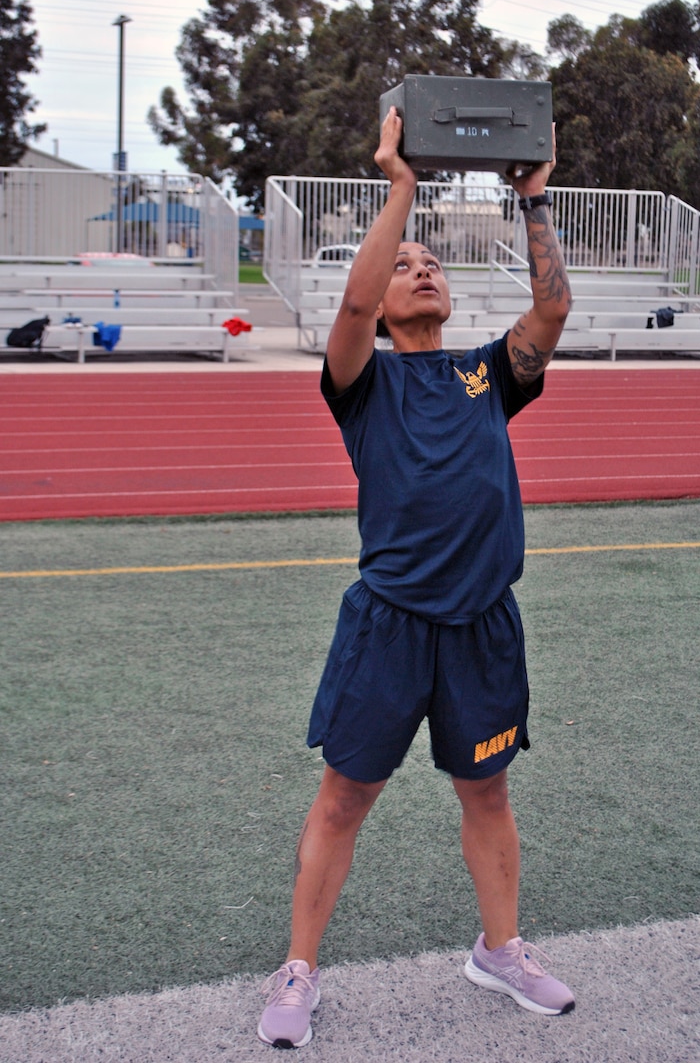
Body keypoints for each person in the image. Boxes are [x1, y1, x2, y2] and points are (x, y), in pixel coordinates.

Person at [258, 106, 574, 1050]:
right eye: (405, 265)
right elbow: (352, 312)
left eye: (430, 259)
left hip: (482, 624)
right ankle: (299, 968)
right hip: (389, 625)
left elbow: (551, 312)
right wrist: (400, 184)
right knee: (345, 797)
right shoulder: (363, 380)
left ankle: (499, 948)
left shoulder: (487, 373)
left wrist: (533, 199)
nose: (422, 266)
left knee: (487, 792)